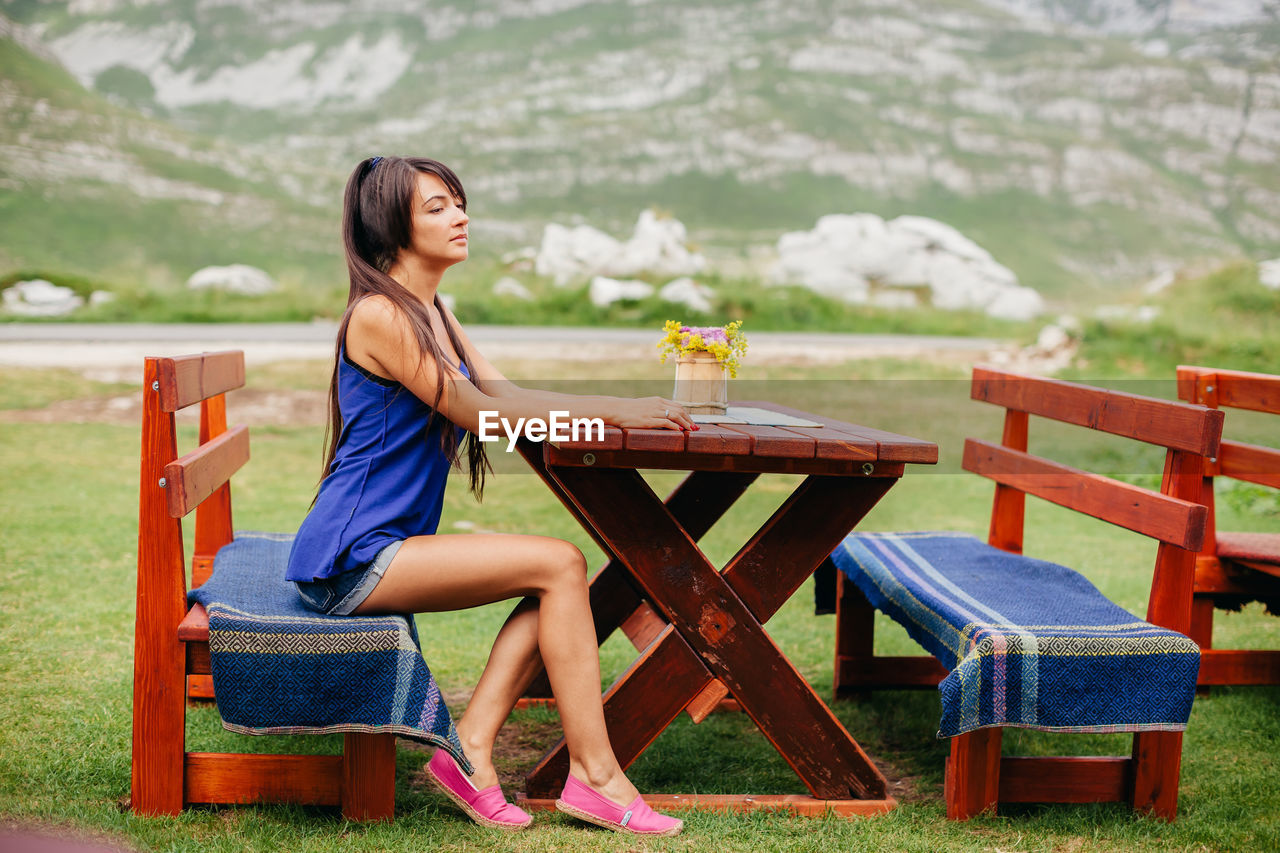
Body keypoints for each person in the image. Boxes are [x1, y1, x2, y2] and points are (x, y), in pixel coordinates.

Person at [285, 155, 694, 836]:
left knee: (561, 581)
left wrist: (620, 407)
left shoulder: (430, 309)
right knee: (560, 564)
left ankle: (472, 749)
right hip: (353, 558)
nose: (461, 216)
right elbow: (481, 413)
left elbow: (501, 391)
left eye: (459, 202)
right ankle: (593, 776)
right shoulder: (382, 314)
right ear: (392, 224)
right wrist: (620, 414)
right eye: (438, 206)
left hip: (384, 547)